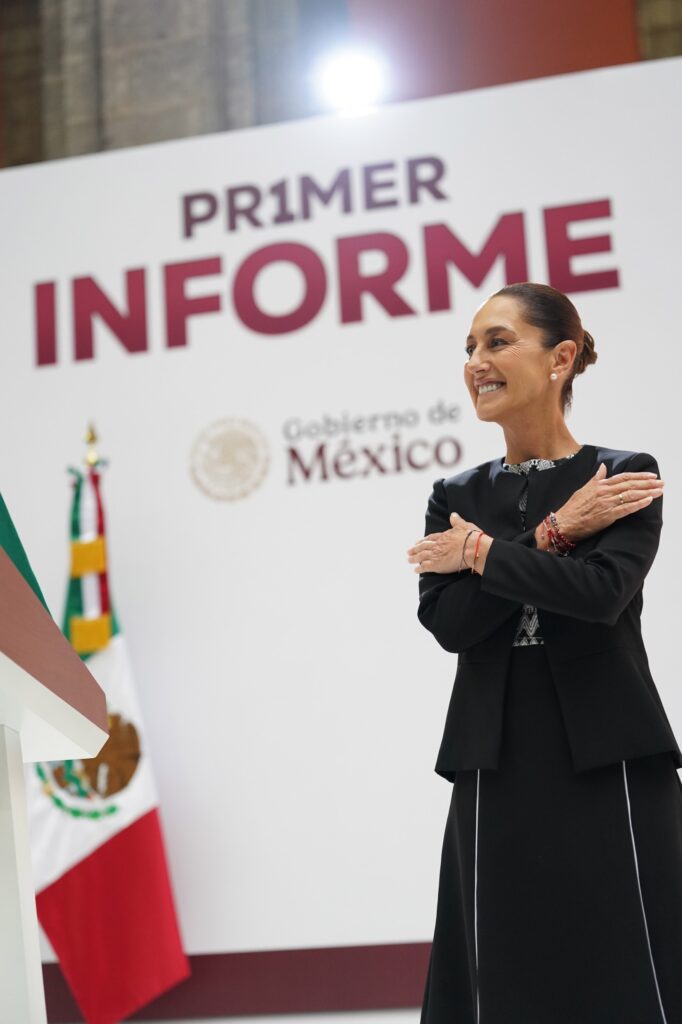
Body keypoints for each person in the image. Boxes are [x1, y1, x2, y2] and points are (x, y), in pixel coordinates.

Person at [407, 282, 682, 1024]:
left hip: (608, 750)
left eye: (497, 342)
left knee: (631, 968)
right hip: (494, 755)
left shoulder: (623, 475)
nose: (476, 361)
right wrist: (554, 533)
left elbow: (599, 595)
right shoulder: (454, 496)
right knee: (501, 973)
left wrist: (481, 555)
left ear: (560, 358)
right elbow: (453, 622)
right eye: (470, 346)